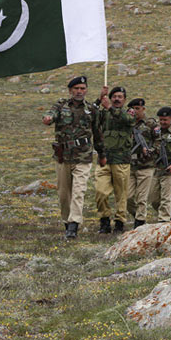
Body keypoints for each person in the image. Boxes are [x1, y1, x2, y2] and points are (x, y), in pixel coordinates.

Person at [42, 76, 104, 239]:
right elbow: (51, 114)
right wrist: (48, 119)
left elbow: (97, 134)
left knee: (79, 191)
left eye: (82, 88)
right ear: (70, 90)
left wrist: (102, 153)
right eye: (76, 88)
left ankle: (73, 225)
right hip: (63, 156)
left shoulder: (91, 109)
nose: (79, 91)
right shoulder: (61, 105)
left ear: (86, 90)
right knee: (64, 194)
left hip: (83, 156)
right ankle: (66, 220)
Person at [95, 86, 136, 234]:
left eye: (120, 97)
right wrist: (99, 99)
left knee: (121, 194)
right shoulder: (104, 113)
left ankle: (119, 222)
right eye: (114, 96)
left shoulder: (129, 113)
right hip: (104, 159)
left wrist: (110, 108)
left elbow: (129, 121)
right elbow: (91, 116)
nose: (117, 99)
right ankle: (104, 220)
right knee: (100, 192)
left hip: (121, 160)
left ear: (124, 100)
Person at [147, 107, 171, 222]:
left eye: (165, 120)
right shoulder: (156, 132)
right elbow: (153, 146)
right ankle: (169, 214)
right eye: (161, 120)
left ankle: (163, 220)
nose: (163, 122)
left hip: (169, 170)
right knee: (153, 199)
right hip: (156, 169)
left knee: (165, 198)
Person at [126, 98, 157, 229]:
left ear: (143, 109)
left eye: (138, 108)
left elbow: (159, 141)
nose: (135, 111)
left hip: (146, 165)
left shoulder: (151, 124)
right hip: (131, 164)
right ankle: (136, 215)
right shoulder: (128, 123)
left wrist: (151, 150)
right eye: (133, 109)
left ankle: (140, 221)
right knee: (127, 197)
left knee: (142, 197)